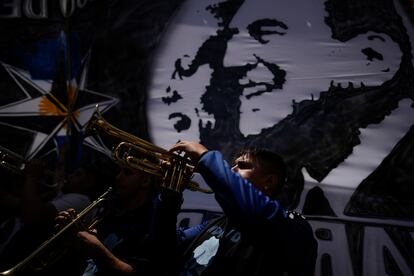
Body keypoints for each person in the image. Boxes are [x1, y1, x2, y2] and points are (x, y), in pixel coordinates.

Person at [169, 140, 318, 275]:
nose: (232, 170)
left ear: (269, 181)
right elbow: (163, 248)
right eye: (233, 165)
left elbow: (253, 211)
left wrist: (205, 156)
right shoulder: (215, 223)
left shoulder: (293, 225)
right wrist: (169, 192)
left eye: (242, 166)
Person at [54, 164, 182, 276]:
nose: (118, 177)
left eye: (127, 172)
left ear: (146, 181)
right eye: (119, 171)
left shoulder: (154, 223)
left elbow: (142, 272)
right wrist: (74, 240)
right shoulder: (109, 210)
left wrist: (95, 249)